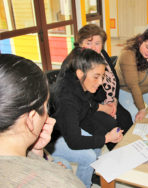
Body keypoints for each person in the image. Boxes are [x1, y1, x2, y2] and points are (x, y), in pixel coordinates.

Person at [0, 54, 84, 187]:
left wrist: (37, 152)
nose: (48, 116)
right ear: (31, 118)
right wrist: (55, 172)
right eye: (46, 107)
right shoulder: (61, 183)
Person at [52, 47, 123, 187]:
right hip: (53, 137)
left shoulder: (83, 84)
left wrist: (103, 135)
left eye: (102, 76)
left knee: (97, 143)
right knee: (88, 156)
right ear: (80, 73)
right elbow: (74, 141)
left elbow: (87, 110)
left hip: (69, 126)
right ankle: (83, 184)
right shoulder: (67, 97)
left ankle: (87, 176)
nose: (101, 82)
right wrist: (107, 138)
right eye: (96, 76)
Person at [75, 24, 133, 149]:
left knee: (126, 117)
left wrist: (115, 101)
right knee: (111, 123)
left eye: (97, 43)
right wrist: (105, 108)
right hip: (89, 108)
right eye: (89, 43)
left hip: (108, 100)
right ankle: (117, 154)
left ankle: (128, 150)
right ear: (80, 43)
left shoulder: (102, 54)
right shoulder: (78, 62)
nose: (94, 47)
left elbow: (115, 79)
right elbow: (84, 98)